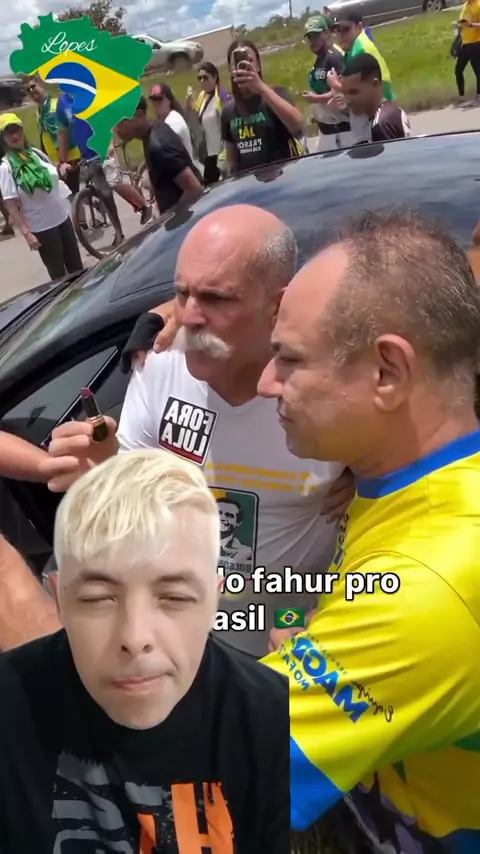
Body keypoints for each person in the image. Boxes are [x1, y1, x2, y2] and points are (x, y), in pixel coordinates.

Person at [257, 209, 480, 850]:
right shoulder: (401, 480)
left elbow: (183, 774)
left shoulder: (432, 583)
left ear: (387, 372)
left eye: (288, 359)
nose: (267, 382)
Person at [40, 204, 354, 657]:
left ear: (278, 305)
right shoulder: (156, 364)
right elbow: (136, 503)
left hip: (284, 653)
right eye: (181, 293)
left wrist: (367, 476)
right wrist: (105, 475)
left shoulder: (334, 392)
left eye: (216, 299)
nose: (188, 317)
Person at [0, 448, 289, 852]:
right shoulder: (9, 708)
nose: (135, 637)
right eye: (98, 598)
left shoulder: (267, 714)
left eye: (174, 597)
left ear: (215, 600)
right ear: (60, 598)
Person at [0, 114, 83, 282]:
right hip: (42, 227)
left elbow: (52, 176)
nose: (15, 136)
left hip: (62, 218)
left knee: (78, 270)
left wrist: (62, 169)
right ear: (3, 138)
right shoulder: (6, 167)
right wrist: (26, 233)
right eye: (9, 133)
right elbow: (11, 204)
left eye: (17, 130)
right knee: (60, 277)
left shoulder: (36, 153)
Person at [221, 39, 305, 175]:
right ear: (231, 70)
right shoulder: (228, 111)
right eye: (237, 63)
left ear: (258, 65)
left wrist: (262, 89)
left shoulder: (275, 94)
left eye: (249, 60)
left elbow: (298, 128)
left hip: (282, 178)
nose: (244, 66)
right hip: (249, 183)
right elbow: (232, 160)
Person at [116, 96, 203, 217]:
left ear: (139, 115)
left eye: (120, 122)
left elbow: (194, 189)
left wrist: (168, 218)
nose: (116, 129)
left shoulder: (158, 146)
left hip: (186, 220)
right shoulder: (154, 130)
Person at [302, 14, 352, 152]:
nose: (313, 41)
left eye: (317, 35)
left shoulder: (333, 57)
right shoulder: (320, 59)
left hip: (343, 128)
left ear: (327, 33)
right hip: (328, 127)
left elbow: (341, 90)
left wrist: (316, 99)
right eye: (310, 37)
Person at [27, 75, 81, 196]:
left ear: (41, 84)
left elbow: (61, 136)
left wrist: (62, 162)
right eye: (28, 90)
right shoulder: (39, 111)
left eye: (33, 86)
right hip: (55, 160)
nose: (31, 90)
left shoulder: (54, 106)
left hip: (68, 157)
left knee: (71, 196)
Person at [342, 54, 411, 142]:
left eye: (354, 92)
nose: (347, 100)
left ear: (375, 84)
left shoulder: (381, 124)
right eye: (344, 93)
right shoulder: (392, 110)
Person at [187, 62, 231, 185]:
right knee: (209, 187)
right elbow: (196, 122)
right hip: (208, 153)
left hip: (221, 153)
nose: (202, 81)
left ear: (215, 77)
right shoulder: (202, 96)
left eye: (205, 77)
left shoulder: (222, 96)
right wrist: (190, 105)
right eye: (199, 78)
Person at [149, 82, 194, 159]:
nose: (156, 103)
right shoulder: (164, 120)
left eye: (159, 99)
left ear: (169, 100)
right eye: (153, 100)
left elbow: (163, 147)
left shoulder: (173, 120)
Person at [456, 0, 480, 99]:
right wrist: (459, 26)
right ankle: (461, 95)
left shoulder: (478, 5)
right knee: (458, 70)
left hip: (476, 42)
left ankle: (478, 94)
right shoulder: (466, 5)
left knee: (477, 70)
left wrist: (470, 25)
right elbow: (463, 22)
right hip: (466, 43)